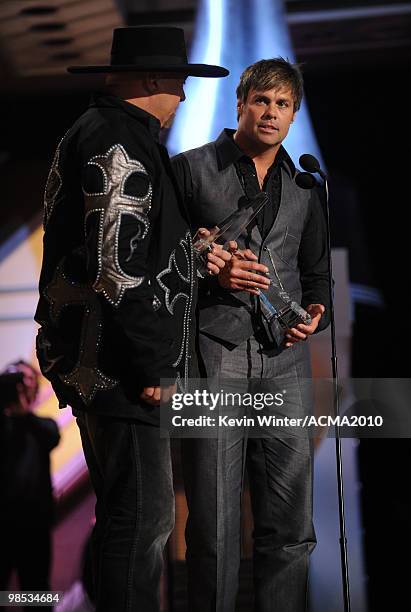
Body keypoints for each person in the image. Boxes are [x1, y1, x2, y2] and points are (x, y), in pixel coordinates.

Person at [34, 26, 229, 612]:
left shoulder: (107, 134)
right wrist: (149, 362)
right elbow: (114, 271)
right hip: (117, 366)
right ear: (152, 80)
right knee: (142, 522)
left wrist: (190, 249)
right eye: (180, 83)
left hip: (104, 361)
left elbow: (120, 251)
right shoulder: (118, 140)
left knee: (131, 518)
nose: (185, 96)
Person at [172, 58, 330, 611]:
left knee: (291, 524)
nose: (270, 112)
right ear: (240, 104)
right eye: (261, 100)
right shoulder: (189, 170)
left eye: (282, 104)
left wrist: (316, 313)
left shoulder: (306, 184)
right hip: (212, 355)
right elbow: (158, 262)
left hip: (284, 363)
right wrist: (206, 264)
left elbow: (318, 278)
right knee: (214, 526)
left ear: (293, 115)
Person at [0, 361, 60, 598]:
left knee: (36, 591)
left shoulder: (42, 427)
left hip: (35, 523)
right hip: (2, 521)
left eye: (28, 381)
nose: (22, 386)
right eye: (16, 380)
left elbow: (51, 436)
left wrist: (23, 414)